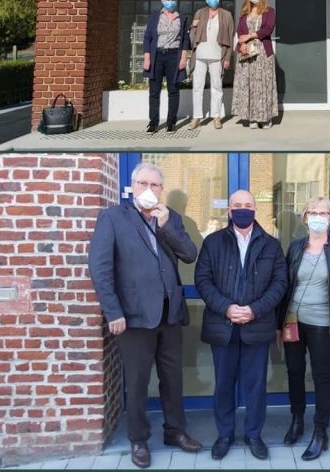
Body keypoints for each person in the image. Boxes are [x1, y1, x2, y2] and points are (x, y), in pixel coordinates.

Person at [87, 162, 201, 469]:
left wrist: (167, 227)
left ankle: (175, 432)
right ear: (132, 187)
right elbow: (100, 268)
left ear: (162, 190)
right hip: (133, 316)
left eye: (155, 185)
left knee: (173, 378)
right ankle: (138, 440)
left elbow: (190, 254)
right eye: (143, 184)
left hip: (170, 313)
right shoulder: (113, 218)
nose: (149, 190)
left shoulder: (171, 218)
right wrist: (113, 311)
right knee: (137, 382)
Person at [195, 190, 287, 461]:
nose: (242, 209)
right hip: (222, 325)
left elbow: (280, 284)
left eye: (248, 205)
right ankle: (224, 435)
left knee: (256, 385)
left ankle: (254, 435)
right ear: (229, 210)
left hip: (256, 326)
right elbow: (203, 280)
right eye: (237, 205)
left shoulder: (271, 245)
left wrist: (254, 310)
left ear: (255, 209)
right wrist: (227, 307)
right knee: (223, 384)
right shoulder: (212, 242)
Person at [277, 197, 330, 461]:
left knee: (321, 377)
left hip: (323, 323)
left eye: (324, 213)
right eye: (313, 212)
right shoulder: (295, 248)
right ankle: (297, 420)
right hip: (293, 321)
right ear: (305, 217)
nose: (318, 216)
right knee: (294, 372)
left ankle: (321, 431)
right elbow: (284, 287)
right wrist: (278, 324)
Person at [143, 0, 190, 133]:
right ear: (162, 0)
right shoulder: (155, 16)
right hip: (157, 55)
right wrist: (147, 57)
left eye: (173, 0)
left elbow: (185, 40)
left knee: (173, 90)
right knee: (154, 91)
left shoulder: (182, 19)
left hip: (174, 56)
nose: (171, 2)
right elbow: (147, 38)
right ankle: (153, 122)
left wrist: (183, 58)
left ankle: (171, 122)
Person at [187, 0, 234, 131]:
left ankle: (216, 117)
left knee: (217, 87)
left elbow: (231, 38)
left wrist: (227, 58)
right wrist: (192, 26)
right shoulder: (200, 13)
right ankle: (196, 117)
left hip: (217, 56)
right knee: (197, 87)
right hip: (200, 55)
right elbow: (192, 35)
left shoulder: (226, 15)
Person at [232, 0, 278, 129]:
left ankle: (265, 118)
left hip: (263, 53)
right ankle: (252, 117)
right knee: (250, 86)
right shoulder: (244, 14)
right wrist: (242, 45)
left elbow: (268, 29)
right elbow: (240, 33)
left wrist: (250, 36)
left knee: (263, 85)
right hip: (247, 54)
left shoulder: (269, 11)